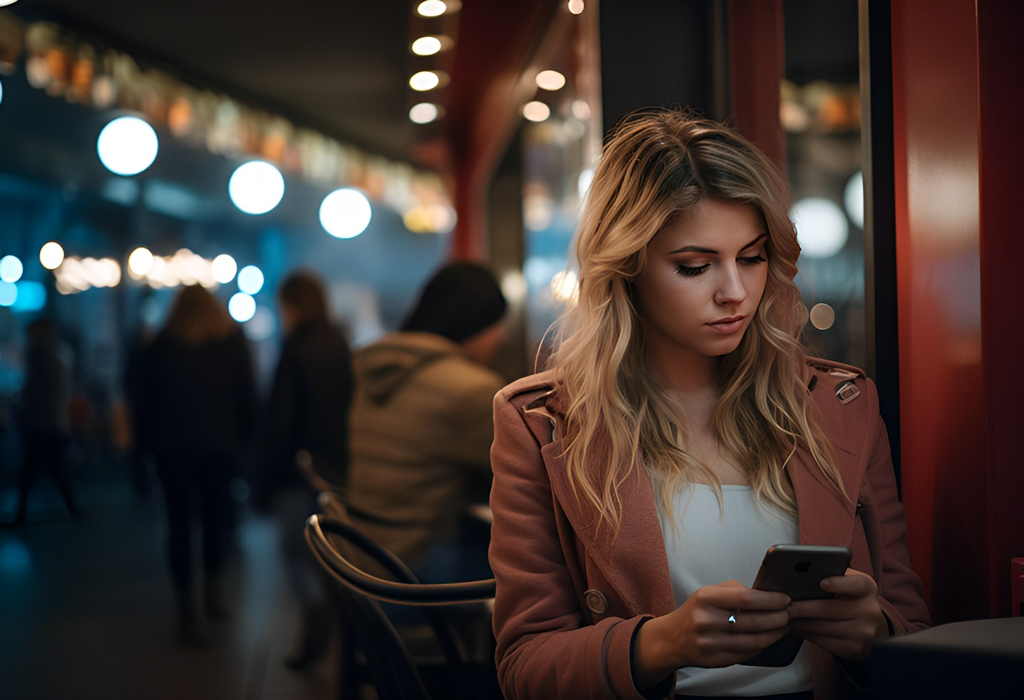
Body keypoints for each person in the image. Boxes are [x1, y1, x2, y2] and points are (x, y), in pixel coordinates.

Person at [488, 109, 930, 700]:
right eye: (694, 266)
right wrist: (659, 645)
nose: (735, 292)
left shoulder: (839, 405)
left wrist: (874, 632)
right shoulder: (542, 424)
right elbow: (524, 668)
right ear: (627, 267)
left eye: (752, 258)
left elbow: (913, 627)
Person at [346, 260, 508, 583]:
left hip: (361, 557)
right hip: (413, 571)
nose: (500, 338)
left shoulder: (378, 368)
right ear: (473, 323)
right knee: (545, 579)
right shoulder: (470, 388)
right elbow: (525, 475)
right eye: (495, 325)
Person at [136, 284, 256, 646]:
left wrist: (142, 448)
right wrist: (248, 442)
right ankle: (214, 591)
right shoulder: (233, 341)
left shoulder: (161, 345)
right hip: (220, 447)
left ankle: (186, 605)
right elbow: (248, 396)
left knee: (178, 525)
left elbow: (144, 399)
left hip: (172, 448)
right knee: (215, 519)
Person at [257, 270, 354, 670]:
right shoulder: (338, 343)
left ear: (290, 304)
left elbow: (282, 417)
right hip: (338, 467)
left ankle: (316, 621)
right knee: (329, 551)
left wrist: (266, 474)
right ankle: (335, 632)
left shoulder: (295, 348)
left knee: (296, 551)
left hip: (298, 468)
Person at [9, 318, 79, 525]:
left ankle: (22, 513)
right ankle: (71, 509)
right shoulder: (56, 354)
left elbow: (36, 395)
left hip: (42, 424)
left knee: (36, 470)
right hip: (49, 423)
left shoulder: (43, 357)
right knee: (48, 470)